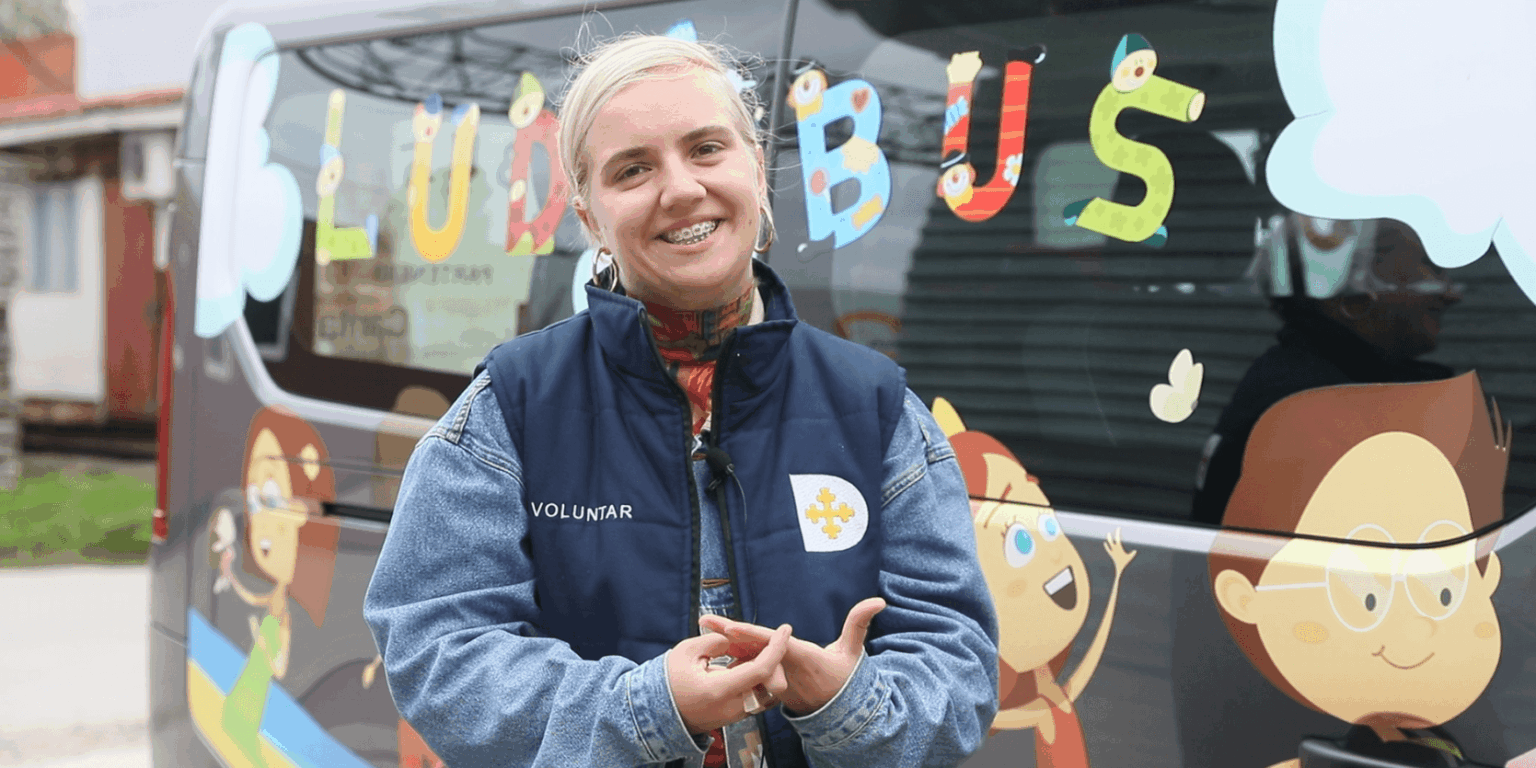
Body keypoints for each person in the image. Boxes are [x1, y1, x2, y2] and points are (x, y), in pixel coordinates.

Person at [362, 33, 999, 768]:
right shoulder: (511, 409)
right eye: (633, 169)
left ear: (756, 169)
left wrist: (844, 704)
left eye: (705, 149)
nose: (681, 189)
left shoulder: (877, 408)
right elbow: (438, 653)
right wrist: (646, 710)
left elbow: (958, 666)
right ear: (589, 215)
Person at [1191, 213, 1463, 525]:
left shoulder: (1313, 388)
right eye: (1428, 268)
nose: (1451, 294)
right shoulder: (1312, 419)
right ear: (1351, 296)